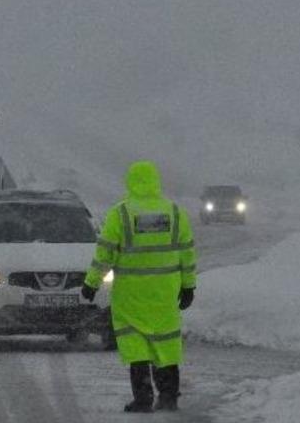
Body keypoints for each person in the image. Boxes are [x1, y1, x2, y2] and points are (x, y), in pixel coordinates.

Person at [82, 160, 196, 413]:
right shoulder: (175, 213)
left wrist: (91, 283)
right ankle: (168, 396)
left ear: (130, 182)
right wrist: (188, 286)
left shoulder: (120, 214)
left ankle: (143, 398)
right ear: (156, 181)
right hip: (164, 293)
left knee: (135, 344)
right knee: (165, 342)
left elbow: (105, 254)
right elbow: (186, 253)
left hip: (130, 295)